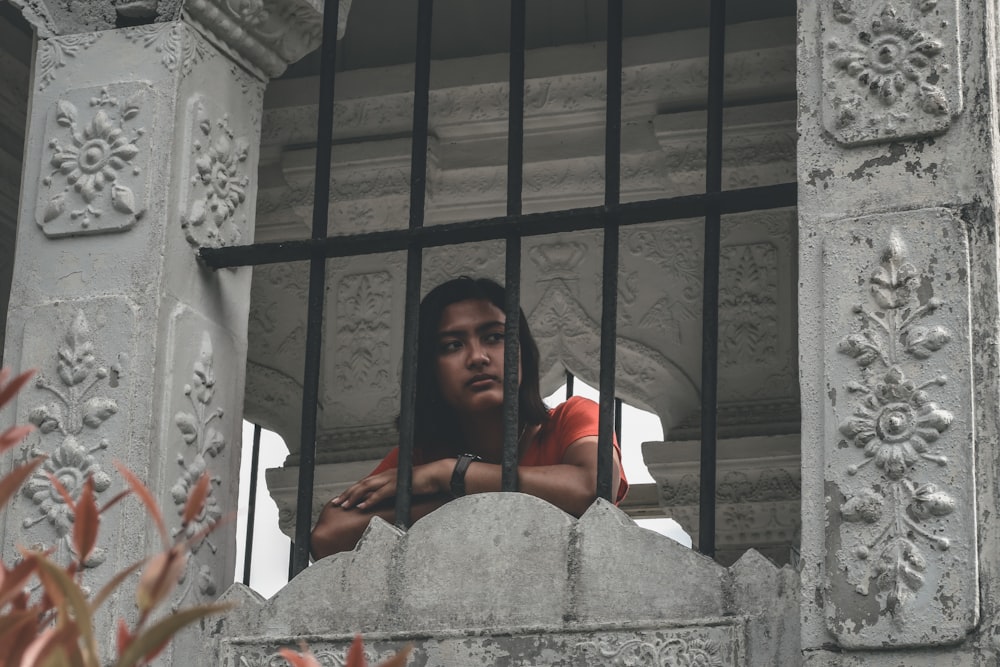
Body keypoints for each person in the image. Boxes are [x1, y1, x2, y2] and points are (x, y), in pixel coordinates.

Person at [310, 277, 628, 559]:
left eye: (494, 337)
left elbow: (593, 487)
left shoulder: (572, 417)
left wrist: (450, 475)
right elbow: (329, 536)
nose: (477, 357)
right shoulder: (422, 457)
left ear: (524, 354)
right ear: (430, 370)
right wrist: (460, 493)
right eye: (453, 345)